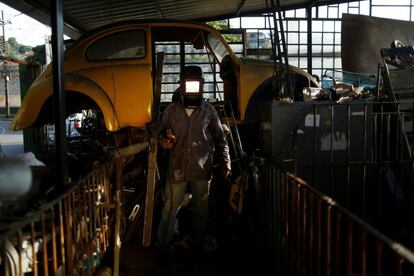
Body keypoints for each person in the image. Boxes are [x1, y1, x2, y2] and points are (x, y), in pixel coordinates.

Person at [156, 65, 231, 256]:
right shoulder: (171, 111)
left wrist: (226, 163)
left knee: (201, 210)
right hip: (177, 167)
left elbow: (221, 140)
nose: (191, 89)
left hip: (201, 169)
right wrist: (164, 140)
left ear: (201, 85)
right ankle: (163, 246)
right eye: (187, 85)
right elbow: (160, 134)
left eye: (195, 85)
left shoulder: (209, 112)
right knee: (170, 207)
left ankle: (196, 247)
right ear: (181, 85)